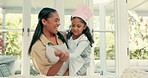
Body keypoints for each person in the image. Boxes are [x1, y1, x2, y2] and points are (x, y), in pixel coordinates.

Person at [28, 7, 69, 76]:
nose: (58, 23)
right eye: (56, 21)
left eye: (59, 21)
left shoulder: (62, 36)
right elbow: (48, 74)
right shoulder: (37, 47)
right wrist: (61, 60)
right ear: (44, 21)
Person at [66, 5, 94, 76]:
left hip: (81, 64)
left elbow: (75, 54)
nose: (75, 28)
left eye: (78, 26)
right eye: (73, 25)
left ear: (84, 27)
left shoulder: (84, 39)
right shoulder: (70, 36)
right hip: (72, 60)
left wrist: (63, 55)